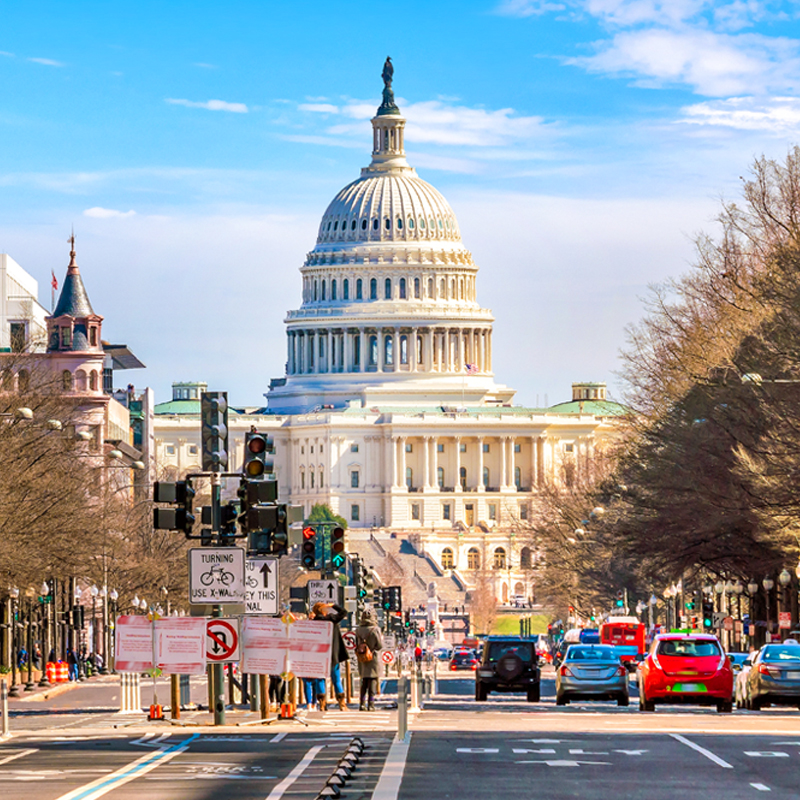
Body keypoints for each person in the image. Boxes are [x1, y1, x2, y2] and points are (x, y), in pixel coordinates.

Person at [312, 601, 349, 711]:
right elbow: (343, 612)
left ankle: (322, 704)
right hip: (333, 654)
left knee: (320, 679)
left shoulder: (313, 623)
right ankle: (342, 704)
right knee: (336, 679)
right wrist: (333, 605)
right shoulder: (331, 620)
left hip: (318, 655)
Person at [355, 609, 383, 711]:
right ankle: (371, 704)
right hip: (373, 657)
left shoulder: (358, 630)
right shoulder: (375, 629)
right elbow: (379, 645)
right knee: (372, 681)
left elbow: (356, 643)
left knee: (364, 681)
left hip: (362, 657)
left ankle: (361, 703)